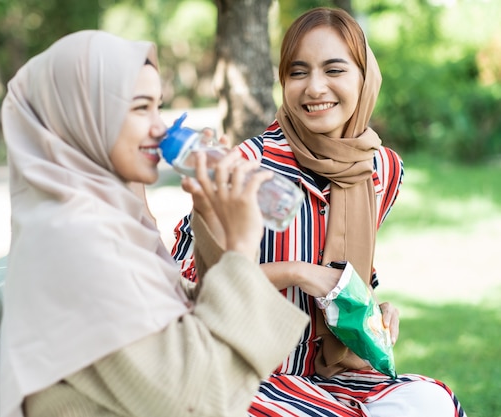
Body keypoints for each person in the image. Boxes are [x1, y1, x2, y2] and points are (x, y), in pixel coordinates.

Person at [171, 7, 467, 417]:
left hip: (335, 372)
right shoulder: (245, 167)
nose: (314, 88)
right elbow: (186, 289)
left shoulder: (382, 170)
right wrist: (296, 272)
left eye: (334, 70)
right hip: (245, 371)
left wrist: (371, 312)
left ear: (365, 77)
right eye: (297, 72)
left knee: (432, 403)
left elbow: (347, 271)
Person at [0, 30, 309, 417]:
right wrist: (243, 248)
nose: (161, 128)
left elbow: (187, 328)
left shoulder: (102, 220)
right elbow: (197, 396)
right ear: (84, 115)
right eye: (141, 108)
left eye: (158, 107)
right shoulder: (74, 238)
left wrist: (211, 217)